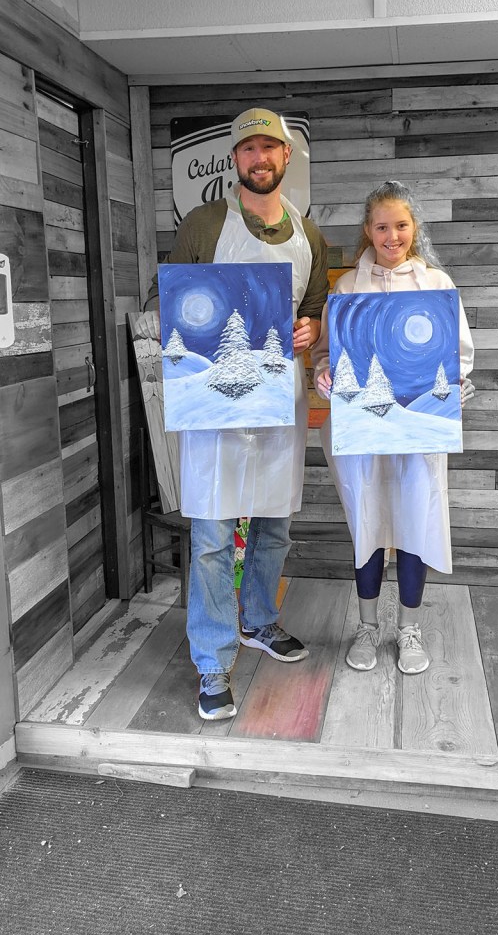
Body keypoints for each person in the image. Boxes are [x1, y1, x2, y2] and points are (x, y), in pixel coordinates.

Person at [135, 108, 328, 721]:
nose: (260, 158)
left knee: (273, 521)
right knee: (215, 533)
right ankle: (213, 661)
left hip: (279, 399)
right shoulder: (202, 224)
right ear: (235, 159)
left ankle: (259, 620)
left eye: (270, 147)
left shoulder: (309, 234)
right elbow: (166, 302)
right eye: (248, 149)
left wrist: (308, 328)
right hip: (215, 400)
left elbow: (316, 306)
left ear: (286, 156)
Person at [312, 181, 474, 675]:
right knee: (367, 520)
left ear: (413, 228)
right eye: (381, 226)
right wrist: (323, 376)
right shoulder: (347, 289)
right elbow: (325, 353)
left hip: (419, 435)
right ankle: (367, 625)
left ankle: (408, 628)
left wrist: (459, 383)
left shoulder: (437, 286)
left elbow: (460, 355)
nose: (391, 235)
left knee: (412, 523)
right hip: (360, 435)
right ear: (368, 230)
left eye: (400, 225)